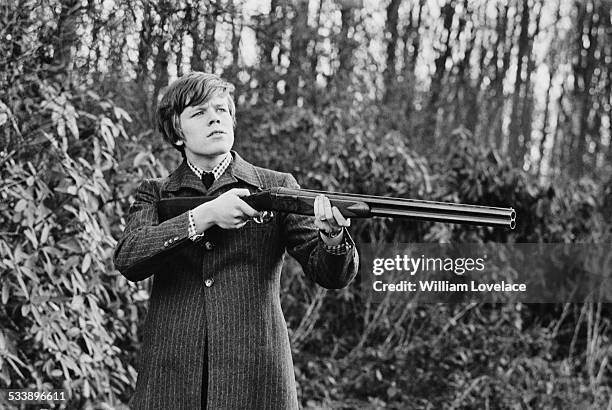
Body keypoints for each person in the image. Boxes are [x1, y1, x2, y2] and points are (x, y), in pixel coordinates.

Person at [113, 72, 359, 410]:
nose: (215, 117)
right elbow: (129, 257)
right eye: (199, 112)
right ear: (177, 132)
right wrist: (204, 216)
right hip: (171, 379)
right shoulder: (155, 193)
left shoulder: (276, 186)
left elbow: (331, 275)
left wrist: (332, 236)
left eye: (221, 110)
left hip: (257, 377)